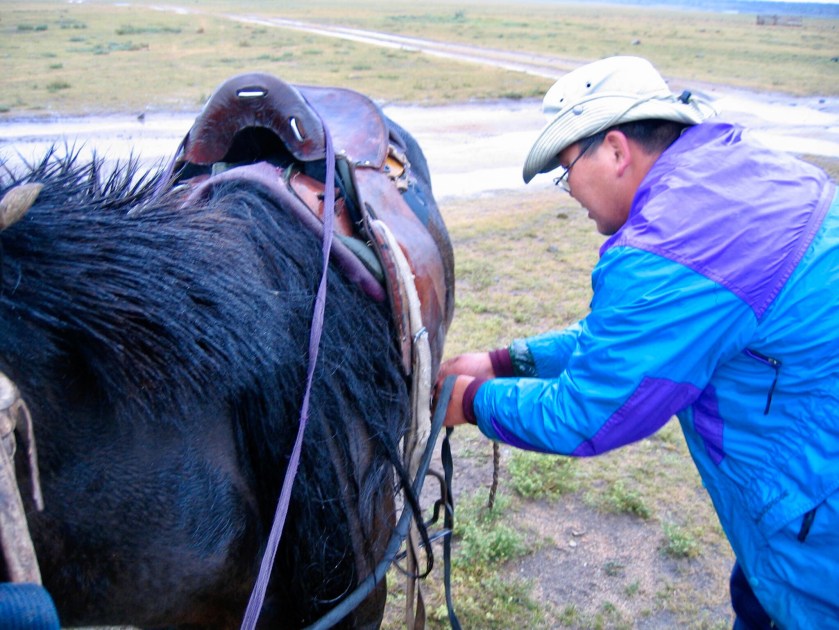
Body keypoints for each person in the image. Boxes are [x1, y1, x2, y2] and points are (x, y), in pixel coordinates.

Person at [436, 55, 839, 629]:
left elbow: (586, 413)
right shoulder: (730, 179)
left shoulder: (669, 247)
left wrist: (471, 401)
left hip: (818, 522)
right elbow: (638, 341)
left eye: (566, 169)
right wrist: (505, 362)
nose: (568, 190)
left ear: (616, 150)